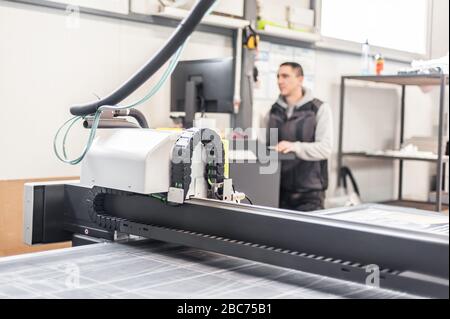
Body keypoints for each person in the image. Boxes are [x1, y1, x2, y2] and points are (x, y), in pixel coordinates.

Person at [265, 62, 333, 212]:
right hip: (279, 191)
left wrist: (294, 146)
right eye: (278, 76)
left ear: (300, 79)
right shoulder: (273, 111)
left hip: (310, 194)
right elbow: (267, 147)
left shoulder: (319, 109)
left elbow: (325, 148)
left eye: (285, 76)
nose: (279, 81)